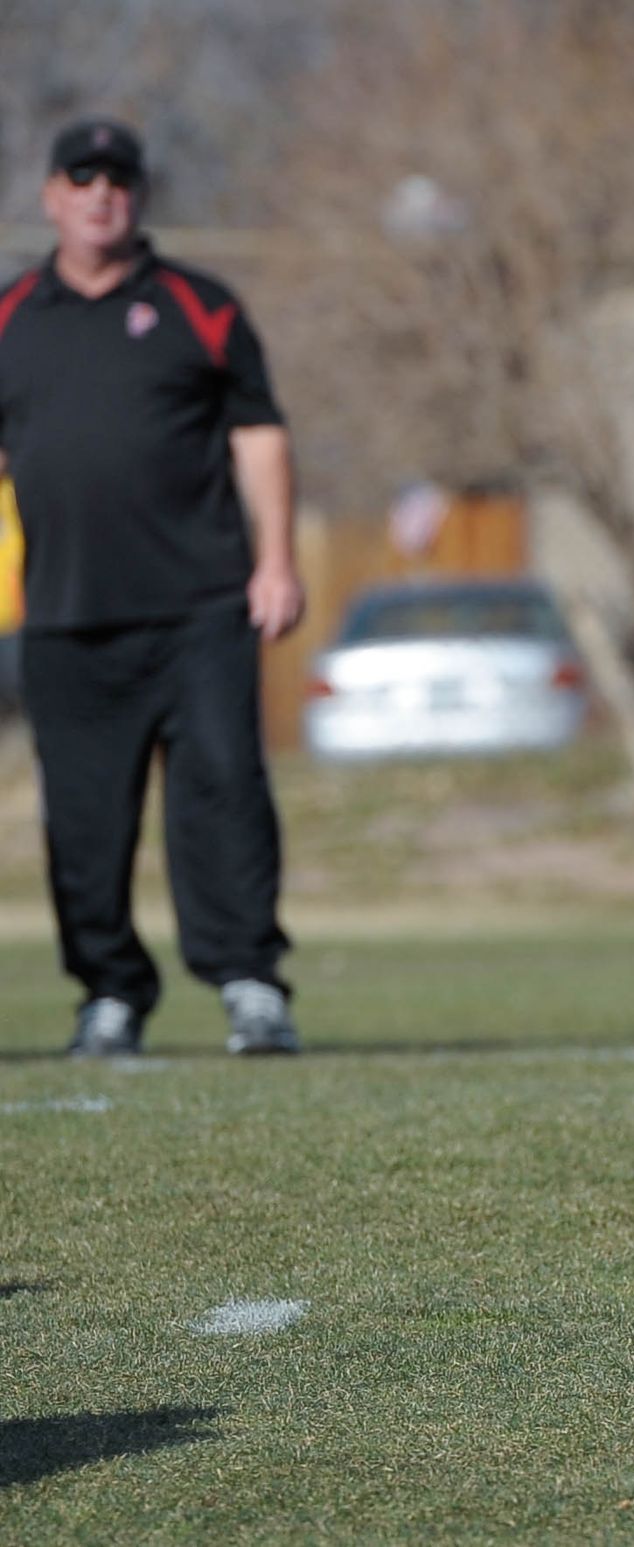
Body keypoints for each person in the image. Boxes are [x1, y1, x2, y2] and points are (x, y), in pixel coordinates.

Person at [0, 117, 304, 1057]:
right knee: (85, 824)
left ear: (138, 197)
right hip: (63, 615)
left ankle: (251, 986)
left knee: (223, 796)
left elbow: (259, 435)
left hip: (201, 607)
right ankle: (111, 996)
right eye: (81, 177)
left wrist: (278, 558)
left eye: (118, 179)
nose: (101, 194)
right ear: (52, 195)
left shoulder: (198, 306)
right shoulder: (11, 315)